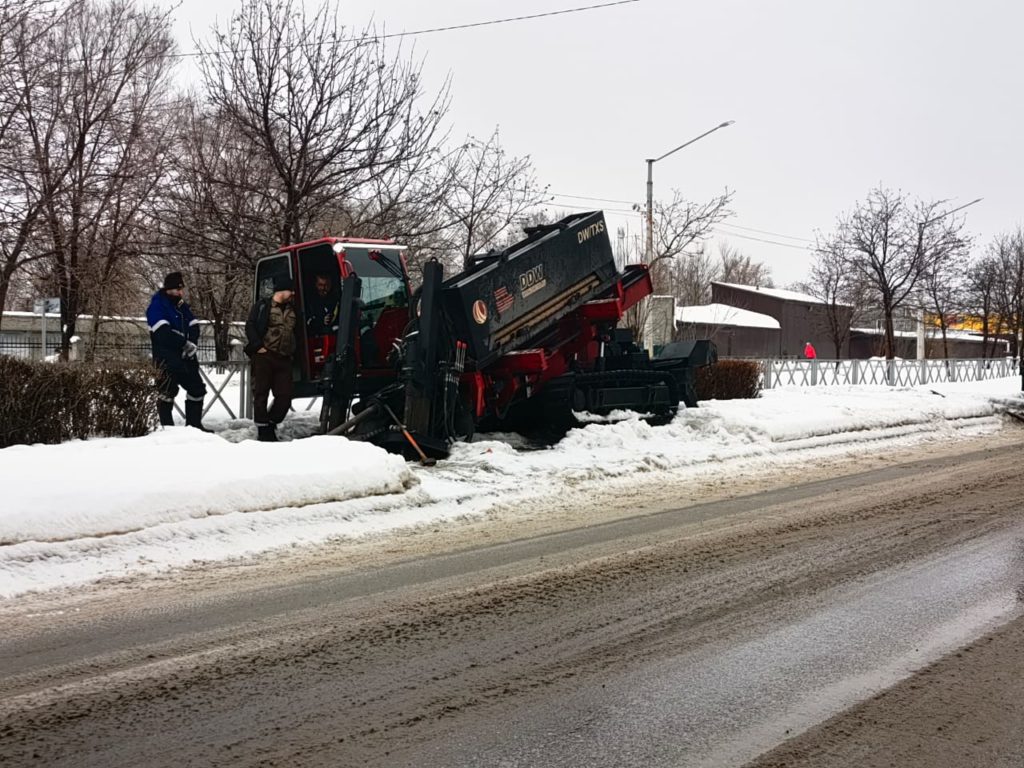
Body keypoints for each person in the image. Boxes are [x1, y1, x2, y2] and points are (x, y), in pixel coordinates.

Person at [146, 271, 210, 431]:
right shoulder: (157, 306)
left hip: (186, 358)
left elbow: (194, 325)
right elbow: (163, 333)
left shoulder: (182, 306)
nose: (181, 293)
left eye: (182, 289)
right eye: (177, 290)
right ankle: (167, 431)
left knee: (197, 389)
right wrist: (184, 344)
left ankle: (194, 428)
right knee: (167, 393)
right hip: (166, 359)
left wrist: (192, 344)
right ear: (169, 289)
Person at [245, 274, 298, 442]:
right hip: (264, 356)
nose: (292, 294)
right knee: (261, 393)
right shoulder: (262, 306)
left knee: (285, 395)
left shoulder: (292, 309)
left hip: (284, 357)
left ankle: (272, 421)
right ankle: (263, 429)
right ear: (283, 291)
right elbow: (250, 325)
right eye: (291, 291)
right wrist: (257, 346)